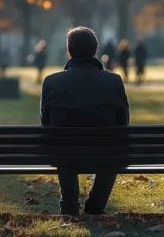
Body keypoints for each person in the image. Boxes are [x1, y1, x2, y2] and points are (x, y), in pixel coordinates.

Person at [40, 27, 129, 215]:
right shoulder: (113, 81)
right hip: (104, 152)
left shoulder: (51, 81)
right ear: (95, 50)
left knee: (62, 145)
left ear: (69, 51)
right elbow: (123, 122)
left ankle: (70, 203)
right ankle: (96, 205)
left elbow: (46, 123)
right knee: (115, 149)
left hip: (64, 153)